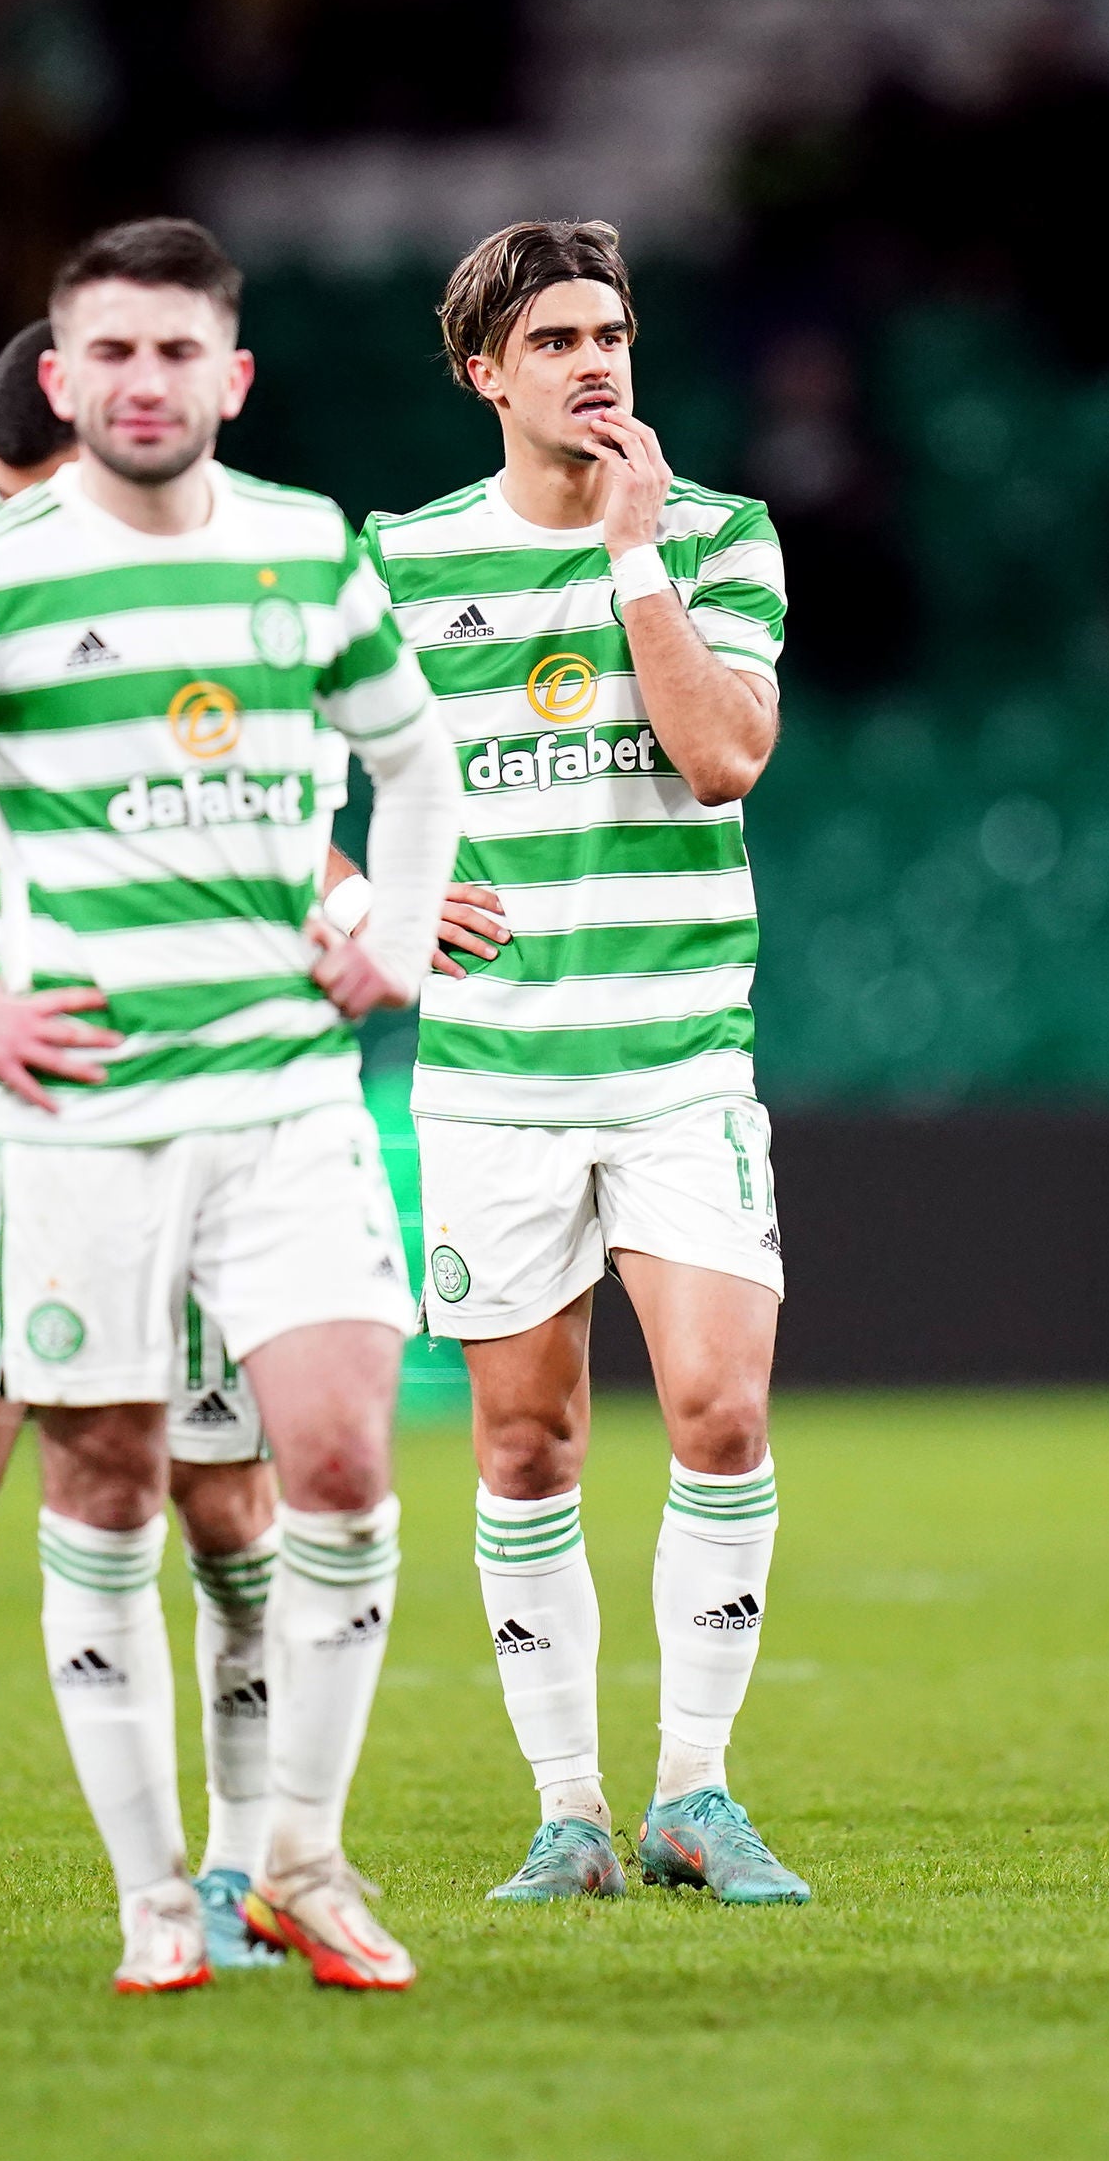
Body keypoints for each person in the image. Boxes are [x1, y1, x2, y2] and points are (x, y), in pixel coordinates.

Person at [0, 219, 458, 1993]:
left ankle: (274, 1853)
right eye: (107, 359)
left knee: (293, 1474)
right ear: (63, 391)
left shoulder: (304, 555)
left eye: (175, 354)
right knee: (29, 1463)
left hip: (272, 1094)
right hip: (44, 1097)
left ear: (227, 376)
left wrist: (387, 932)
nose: (142, 388)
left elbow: (387, 771)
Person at [339, 219, 807, 1909]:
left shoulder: (724, 536)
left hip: (682, 1059)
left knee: (721, 1405)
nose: (596, 362)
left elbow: (722, 755)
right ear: (485, 371)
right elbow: (250, 748)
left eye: (611, 333)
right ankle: (569, 1811)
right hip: (492, 1079)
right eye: (555, 341)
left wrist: (635, 557)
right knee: (526, 1447)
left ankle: (696, 1788)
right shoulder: (398, 564)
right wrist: (352, 886)